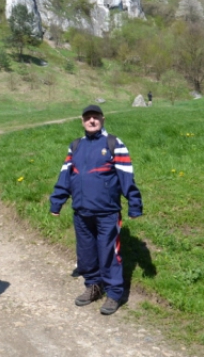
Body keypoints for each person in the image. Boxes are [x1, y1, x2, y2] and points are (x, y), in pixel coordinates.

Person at [50, 104, 143, 315]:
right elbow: (65, 176)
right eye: (87, 118)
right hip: (81, 212)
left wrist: (134, 204)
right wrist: (57, 201)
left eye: (96, 117)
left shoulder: (113, 144)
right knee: (85, 254)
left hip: (107, 212)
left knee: (109, 253)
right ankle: (93, 286)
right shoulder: (75, 147)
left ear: (103, 119)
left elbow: (126, 175)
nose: (91, 121)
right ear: (82, 121)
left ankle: (113, 293)